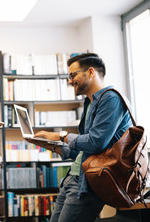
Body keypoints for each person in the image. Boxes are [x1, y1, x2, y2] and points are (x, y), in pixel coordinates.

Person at [27, 53, 132, 222]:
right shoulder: (90, 103)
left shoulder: (111, 99)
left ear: (90, 72)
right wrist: (48, 145)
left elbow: (96, 143)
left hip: (89, 184)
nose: (70, 81)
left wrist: (59, 135)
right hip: (74, 179)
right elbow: (84, 151)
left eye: (72, 75)